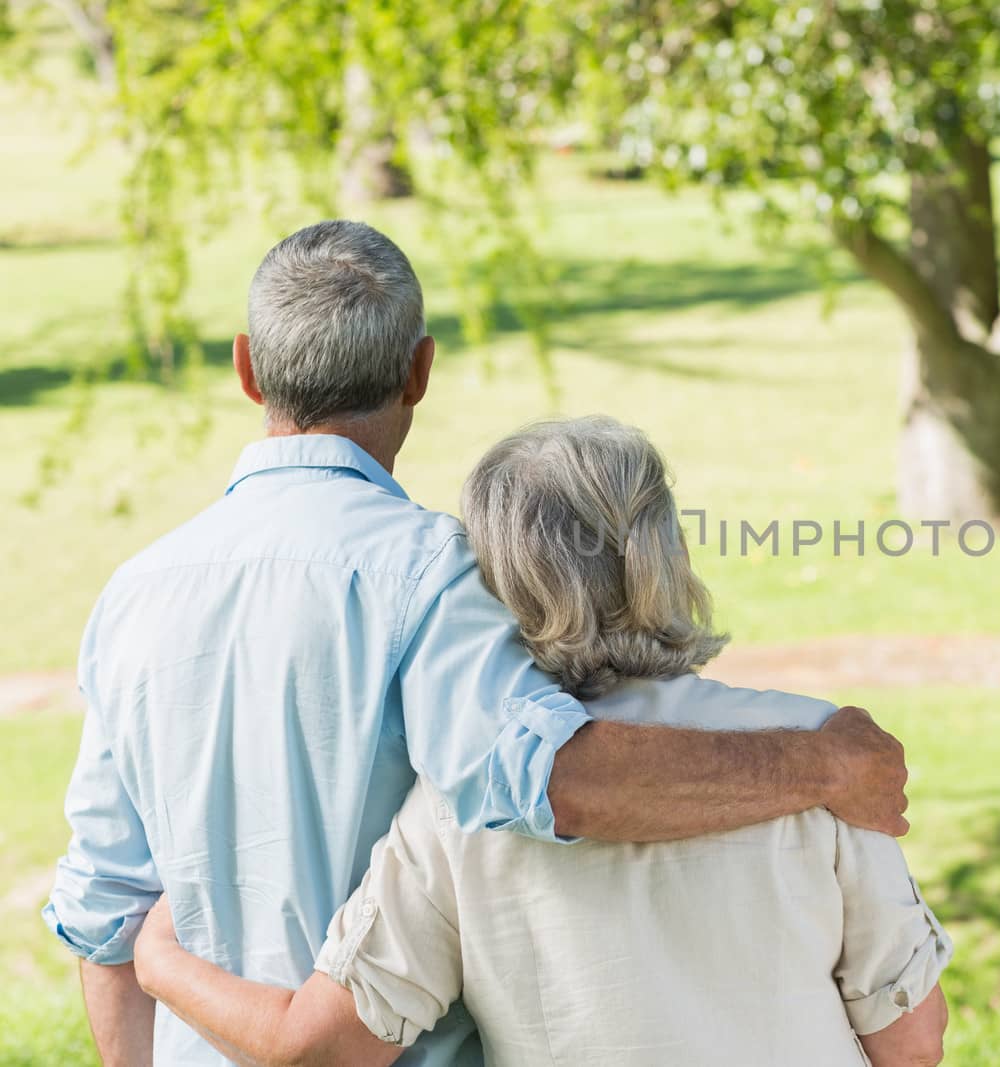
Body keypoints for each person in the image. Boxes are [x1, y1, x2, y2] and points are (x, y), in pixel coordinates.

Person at [44, 222, 910, 1066]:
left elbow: (104, 911)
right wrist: (824, 769)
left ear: (245, 367)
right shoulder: (429, 570)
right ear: (420, 371)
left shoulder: (132, 593)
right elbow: (561, 779)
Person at [133, 416, 952, 1066]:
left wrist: (157, 956)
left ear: (498, 584)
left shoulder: (456, 809)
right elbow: (911, 1043)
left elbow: (320, 1048)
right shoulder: (831, 760)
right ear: (665, 550)